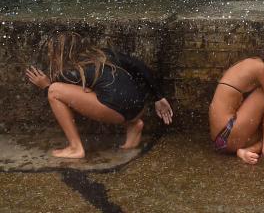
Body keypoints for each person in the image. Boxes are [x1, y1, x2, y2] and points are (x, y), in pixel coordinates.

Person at [24, 31, 173, 159]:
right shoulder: (104, 53)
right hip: (139, 106)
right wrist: (159, 97)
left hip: (117, 111)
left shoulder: (68, 72)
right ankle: (134, 124)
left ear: (59, 54)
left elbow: (69, 99)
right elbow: (139, 66)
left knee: (55, 91)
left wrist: (46, 86)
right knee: (100, 90)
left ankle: (76, 148)